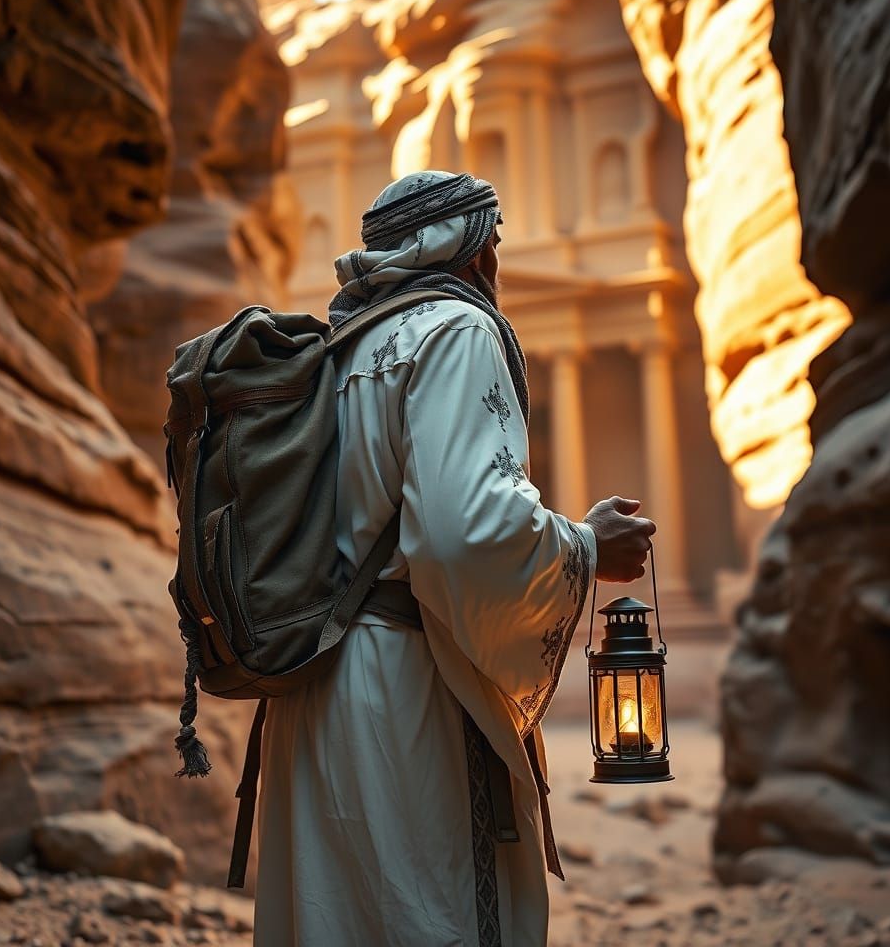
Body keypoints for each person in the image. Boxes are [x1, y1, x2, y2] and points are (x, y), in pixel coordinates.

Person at [253, 170, 655, 946]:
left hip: (316, 686)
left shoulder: (342, 346)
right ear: (467, 249)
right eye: (492, 244)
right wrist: (582, 546)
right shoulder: (455, 330)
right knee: (429, 915)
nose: (496, 264)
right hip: (407, 688)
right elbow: (459, 533)